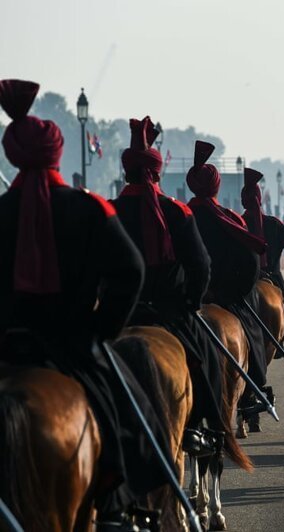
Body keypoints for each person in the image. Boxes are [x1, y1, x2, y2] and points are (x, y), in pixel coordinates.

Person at [0, 80, 169, 528]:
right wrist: (99, 329)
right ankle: (120, 500)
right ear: (56, 154)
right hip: (72, 343)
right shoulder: (89, 208)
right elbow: (130, 272)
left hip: (5, 349)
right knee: (133, 417)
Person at [112, 116, 228, 458]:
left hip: (121, 313)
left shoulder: (109, 211)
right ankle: (202, 428)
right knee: (205, 360)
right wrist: (191, 302)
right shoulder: (176, 212)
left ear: (126, 172)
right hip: (171, 311)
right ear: (158, 173)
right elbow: (201, 266)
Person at [185, 141, 271, 409]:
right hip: (223, 295)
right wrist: (225, 294)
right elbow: (250, 264)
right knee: (252, 332)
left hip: (185, 298)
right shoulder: (230, 218)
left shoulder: (178, 214)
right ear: (216, 186)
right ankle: (253, 391)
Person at [241, 168, 284, 353]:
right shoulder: (273, 224)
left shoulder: (238, 223)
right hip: (273, 275)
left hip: (248, 279)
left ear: (243, 200)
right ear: (260, 199)